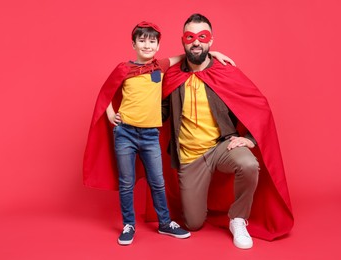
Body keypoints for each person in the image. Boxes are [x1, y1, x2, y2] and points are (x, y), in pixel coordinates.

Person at [83, 21, 235, 246]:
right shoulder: (124, 69)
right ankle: (129, 224)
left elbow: (184, 56)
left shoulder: (160, 66)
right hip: (125, 133)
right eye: (142, 40)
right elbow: (106, 92)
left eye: (152, 41)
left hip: (150, 135)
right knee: (126, 182)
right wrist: (110, 115)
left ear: (158, 45)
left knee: (158, 181)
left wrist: (213, 52)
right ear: (133, 44)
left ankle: (165, 223)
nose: (147, 45)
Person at [161, 13, 294, 249]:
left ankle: (238, 219)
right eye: (190, 37)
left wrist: (251, 140)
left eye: (203, 37)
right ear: (182, 40)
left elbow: (257, 105)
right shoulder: (172, 76)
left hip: (221, 146)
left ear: (211, 40)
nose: (196, 42)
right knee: (193, 223)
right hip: (189, 157)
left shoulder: (224, 70)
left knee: (249, 164)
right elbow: (149, 79)